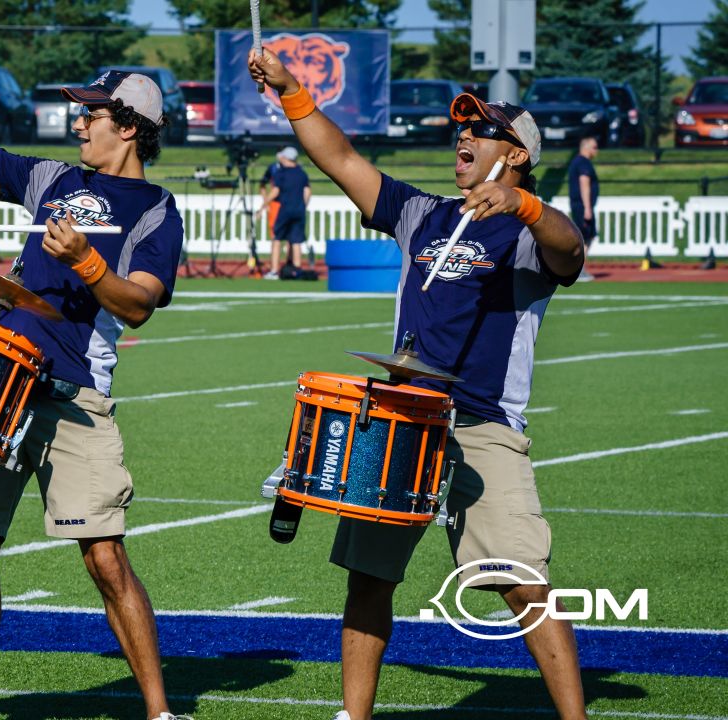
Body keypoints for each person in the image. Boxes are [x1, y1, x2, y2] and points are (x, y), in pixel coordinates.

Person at [248, 51, 587, 720]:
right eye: (462, 128)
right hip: (407, 419)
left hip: (483, 426)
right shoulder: (423, 213)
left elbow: (570, 249)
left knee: (521, 585)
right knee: (369, 579)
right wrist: (292, 93)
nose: (463, 136)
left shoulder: (524, 232)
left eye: (482, 129)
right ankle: (354, 715)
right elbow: (340, 159)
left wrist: (522, 205)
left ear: (518, 154)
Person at [0, 46, 190, 720]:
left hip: (76, 396)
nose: (79, 124)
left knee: (104, 558)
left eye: (92, 114)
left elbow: (138, 305)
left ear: (128, 127)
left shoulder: (157, 208)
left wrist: (90, 261)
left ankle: (159, 712)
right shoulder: (49, 178)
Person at [256, 146, 311, 279]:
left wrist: (264, 205)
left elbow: (276, 191)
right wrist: (303, 205)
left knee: (277, 238)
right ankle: (297, 270)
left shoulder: (282, 174)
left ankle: (274, 270)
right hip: (299, 210)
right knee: (296, 240)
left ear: (286, 158)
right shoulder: (302, 173)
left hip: (285, 209)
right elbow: (307, 192)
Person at [567, 136, 599, 281]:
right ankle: (578, 269)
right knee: (584, 237)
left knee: (588, 236)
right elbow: (584, 183)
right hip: (582, 205)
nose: (596, 150)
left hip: (580, 204)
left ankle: (579, 268)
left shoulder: (578, 162)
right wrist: (587, 208)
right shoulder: (583, 163)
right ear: (585, 147)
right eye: (594, 147)